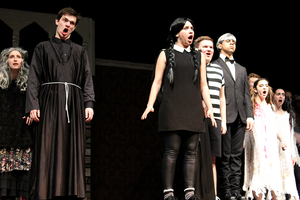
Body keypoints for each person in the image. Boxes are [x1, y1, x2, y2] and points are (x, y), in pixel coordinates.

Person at [141, 18, 215, 200]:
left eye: (192, 28)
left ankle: (189, 191)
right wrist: (150, 104)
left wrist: (210, 107)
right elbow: (157, 82)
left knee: (191, 151)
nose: (191, 31)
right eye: (186, 28)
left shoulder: (198, 56)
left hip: (193, 108)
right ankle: (168, 192)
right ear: (176, 33)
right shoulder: (165, 54)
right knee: (172, 150)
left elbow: (203, 85)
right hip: (172, 107)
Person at [25, 7, 95, 200]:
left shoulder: (80, 52)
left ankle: (71, 193)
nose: (68, 25)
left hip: (73, 103)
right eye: (65, 21)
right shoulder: (42, 47)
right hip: (48, 102)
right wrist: (33, 105)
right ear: (57, 21)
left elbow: (87, 79)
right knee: (47, 146)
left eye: (72, 23)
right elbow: (33, 79)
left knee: (72, 147)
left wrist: (88, 103)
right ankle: (44, 193)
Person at [212, 33, 254, 200]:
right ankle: (226, 190)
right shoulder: (214, 65)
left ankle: (236, 190)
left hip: (240, 117)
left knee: (237, 155)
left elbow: (246, 95)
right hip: (224, 115)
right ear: (219, 45)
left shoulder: (242, 69)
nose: (232, 44)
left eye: (234, 42)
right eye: (228, 41)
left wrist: (249, 115)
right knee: (225, 155)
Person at [194, 36, 226, 200]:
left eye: (211, 47)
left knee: (212, 159)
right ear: (197, 49)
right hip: (197, 117)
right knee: (196, 156)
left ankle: (212, 195)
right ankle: (196, 193)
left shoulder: (218, 70)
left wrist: (224, 121)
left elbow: (222, 98)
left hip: (215, 119)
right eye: (205, 47)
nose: (209, 50)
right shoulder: (193, 67)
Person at [243, 78, 285, 200]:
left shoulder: (270, 106)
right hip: (258, 145)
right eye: (261, 86)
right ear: (255, 89)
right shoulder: (252, 107)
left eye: (266, 85)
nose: (264, 88)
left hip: (271, 145)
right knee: (258, 174)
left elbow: (274, 126)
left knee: (273, 176)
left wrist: (282, 139)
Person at [0, 47, 33, 200]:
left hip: (22, 137)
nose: (15, 59)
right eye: (11, 56)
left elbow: (33, 105)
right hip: (4, 139)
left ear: (22, 61)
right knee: (5, 185)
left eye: (18, 57)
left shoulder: (28, 86)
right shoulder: (1, 85)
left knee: (21, 185)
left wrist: (31, 113)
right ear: (6, 60)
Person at [274, 88, 299, 200]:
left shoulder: (288, 115)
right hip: (274, 149)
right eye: (278, 94)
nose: (281, 97)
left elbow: (290, 137)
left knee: (288, 178)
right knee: (276, 177)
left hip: (286, 151)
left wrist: (293, 154)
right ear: (273, 96)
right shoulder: (270, 114)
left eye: (283, 95)